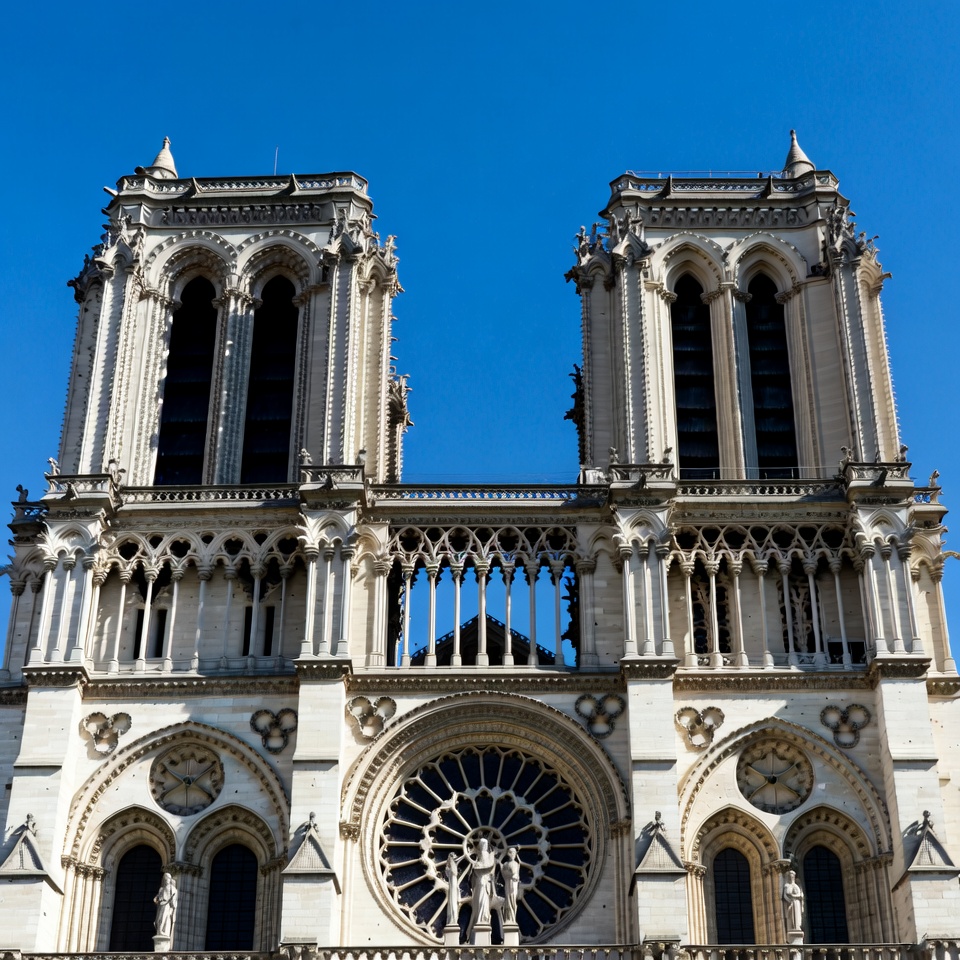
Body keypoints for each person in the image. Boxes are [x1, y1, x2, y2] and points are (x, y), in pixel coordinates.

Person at [468, 839, 496, 932]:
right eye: (483, 844)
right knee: (481, 900)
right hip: (481, 883)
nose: (484, 846)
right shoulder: (479, 862)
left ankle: (483, 918)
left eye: (486, 844)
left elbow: (489, 869)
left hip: (485, 883)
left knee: (484, 901)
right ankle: (481, 919)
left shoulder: (485, 857)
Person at [154, 871, 177, 938]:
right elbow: (156, 898)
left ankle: (161, 930)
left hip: (167, 905)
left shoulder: (172, 889)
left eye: (168, 878)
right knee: (159, 919)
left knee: (164, 917)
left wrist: (172, 908)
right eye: (166, 878)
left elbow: (173, 901)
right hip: (161, 905)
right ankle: (159, 931)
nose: (167, 880)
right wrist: (156, 900)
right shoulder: (161, 889)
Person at [501, 847, 520, 923]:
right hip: (508, 882)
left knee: (512, 899)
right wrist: (510, 875)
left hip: (513, 884)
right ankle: (508, 918)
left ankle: (512, 918)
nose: (513, 854)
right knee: (508, 899)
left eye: (514, 853)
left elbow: (516, 874)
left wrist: (515, 876)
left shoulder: (516, 864)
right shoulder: (505, 864)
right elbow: (503, 873)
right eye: (511, 852)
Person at [444, 853, 460, 927]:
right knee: (452, 903)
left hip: (454, 884)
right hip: (452, 885)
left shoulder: (451, 868)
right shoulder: (451, 868)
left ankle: (453, 918)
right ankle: (452, 919)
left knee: (453, 903)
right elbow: (453, 872)